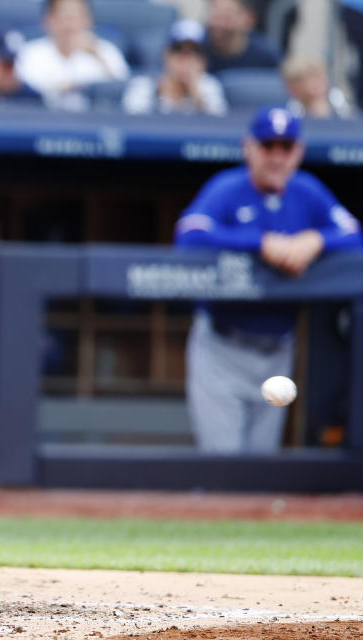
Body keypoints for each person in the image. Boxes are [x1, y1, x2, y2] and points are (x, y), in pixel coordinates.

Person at [175, 106, 362, 454]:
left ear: (298, 153)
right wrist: (260, 242)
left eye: (286, 147)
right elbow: (189, 234)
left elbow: (353, 234)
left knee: (262, 468)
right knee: (223, 466)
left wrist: (316, 239)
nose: (276, 157)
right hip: (222, 348)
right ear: (249, 147)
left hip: (279, 351)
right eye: (267, 146)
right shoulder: (228, 187)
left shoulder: (307, 191)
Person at [14, 0, 130, 112]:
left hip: (94, 123)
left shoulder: (106, 51)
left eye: (77, 17)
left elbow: (125, 91)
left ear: (89, 20)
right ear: (48, 20)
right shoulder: (31, 53)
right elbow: (27, 92)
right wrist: (73, 86)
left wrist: (97, 56)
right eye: (64, 17)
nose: (71, 25)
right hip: (43, 121)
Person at [123, 19, 228, 116]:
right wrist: (159, 93)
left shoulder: (209, 87)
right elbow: (132, 126)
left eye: (194, 52)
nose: (186, 60)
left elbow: (218, 129)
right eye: (179, 51)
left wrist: (196, 95)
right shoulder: (142, 86)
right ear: (166, 55)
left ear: (203, 61)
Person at [203, 0, 279, 73]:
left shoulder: (267, 56)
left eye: (227, 17)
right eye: (215, 16)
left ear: (249, 19)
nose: (218, 24)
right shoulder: (198, 51)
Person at [281, 54, 354, 119]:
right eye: (310, 77)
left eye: (319, 75)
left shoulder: (342, 108)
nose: (317, 82)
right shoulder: (292, 114)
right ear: (293, 88)